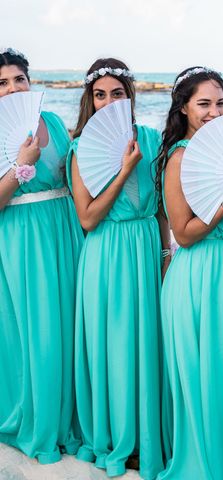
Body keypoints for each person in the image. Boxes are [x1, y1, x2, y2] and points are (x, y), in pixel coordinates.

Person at [156, 67, 223, 479]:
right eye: (204, 103)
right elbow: (184, 231)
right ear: (183, 108)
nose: (214, 112)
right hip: (200, 278)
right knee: (205, 376)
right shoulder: (179, 158)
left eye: (221, 103)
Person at [68, 58, 168, 479]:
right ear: (90, 100)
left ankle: (148, 436)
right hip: (106, 253)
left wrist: (166, 255)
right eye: (101, 94)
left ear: (131, 97)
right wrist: (124, 170)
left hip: (146, 247)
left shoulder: (151, 139)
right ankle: (117, 436)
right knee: (115, 343)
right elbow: (88, 218)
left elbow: (162, 207)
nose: (110, 101)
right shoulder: (80, 148)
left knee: (147, 341)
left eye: (118, 93)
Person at [0, 47, 83, 464]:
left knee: (70, 324)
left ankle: (74, 417)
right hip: (22, 238)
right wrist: (20, 166)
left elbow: (74, 177)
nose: (13, 89)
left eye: (19, 79)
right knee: (39, 330)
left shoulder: (51, 121)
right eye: (2, 83)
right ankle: (40, 420)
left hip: (64, 229)